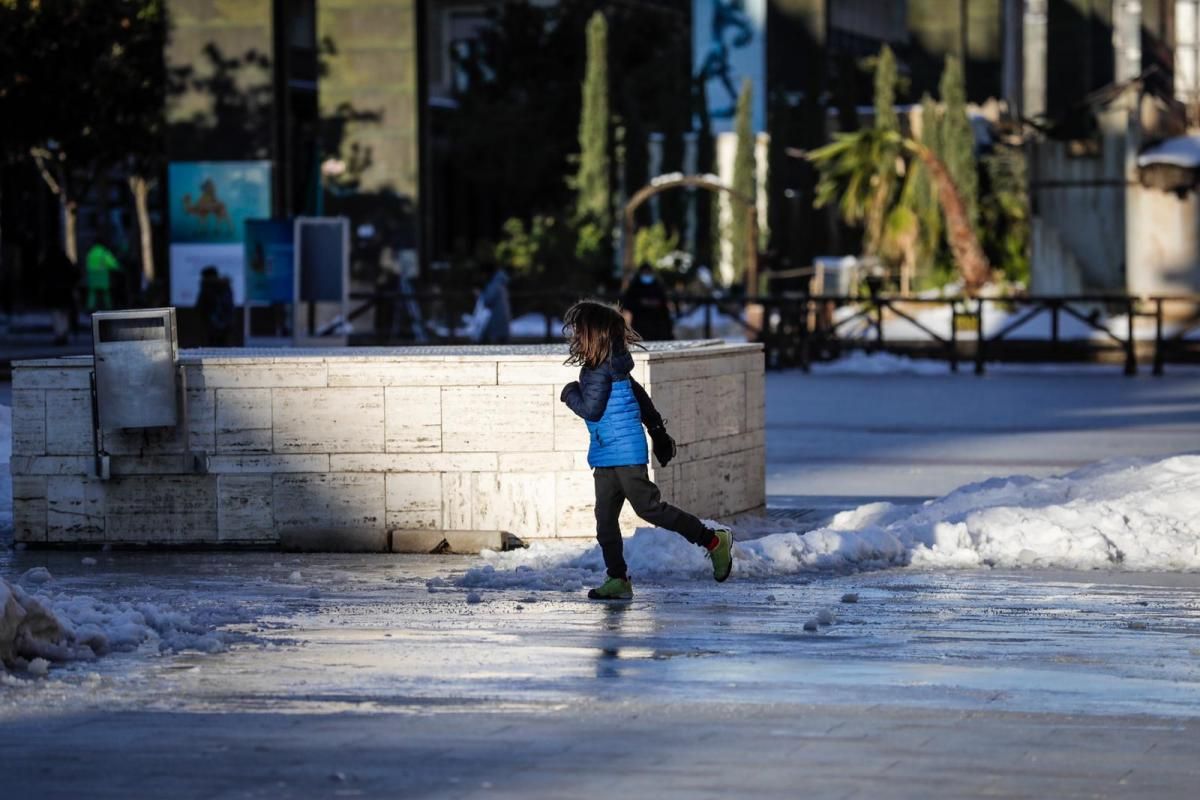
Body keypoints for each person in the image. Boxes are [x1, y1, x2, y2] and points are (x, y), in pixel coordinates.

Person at [559, 300, 733, 600]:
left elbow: (592, 410)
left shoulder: (601, 370)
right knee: (605, 521)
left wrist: (569, 393)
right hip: (606, 453)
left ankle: (713, 541)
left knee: (649, 508)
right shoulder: (613, 365)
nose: (574, 337)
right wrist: (658, 431)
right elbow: (640, 397)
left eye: (578, 331)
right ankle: (618, 579)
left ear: (592, 335)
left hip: (624, 452)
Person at [620, 263, 674, 341]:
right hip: (640, 323)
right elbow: (628, 303)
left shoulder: (658, 286)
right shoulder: (635, 287)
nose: (647, 275)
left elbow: (664, 303)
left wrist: (656, 303)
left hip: (657, 324)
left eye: (648, 273)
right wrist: (641, 303)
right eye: (645, 273)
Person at [41, 248, 79, 345]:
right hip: (65, 291)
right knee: (64, 313)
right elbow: (74, 274)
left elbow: (41, 274)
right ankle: (63, 332)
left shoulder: (47, 262)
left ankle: (59, 333)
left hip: (52, 291)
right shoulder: (66, 261)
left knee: (56, 313)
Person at [196, 265, 235, 346]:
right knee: (225, 350)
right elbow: (229, 306)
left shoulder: (206, 288)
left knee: (210, 351)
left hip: (210, 326)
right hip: (226, 325)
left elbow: (200, 307)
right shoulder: (225, 286)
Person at [478, 262, 511, 344]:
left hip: (496, 318)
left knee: (492, 342)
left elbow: (487, 300)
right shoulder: (501, 284)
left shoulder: (494, 284)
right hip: (503, 317)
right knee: (503, 341)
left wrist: (480, 295)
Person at [84, 239, 121, 311]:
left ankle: (90, 308)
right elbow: (111, 263)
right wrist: (118, 267)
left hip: (93, 277)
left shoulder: (91, 252)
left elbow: (87, 264)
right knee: (106, 293)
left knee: (92, 294)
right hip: (102, 276)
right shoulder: (104, 252)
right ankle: (108, 307)